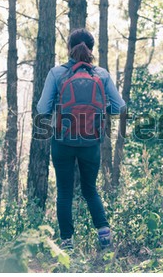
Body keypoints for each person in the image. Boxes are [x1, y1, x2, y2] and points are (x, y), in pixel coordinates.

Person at [37, 28, 126, 250]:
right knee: (90, 189)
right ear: (92, 49)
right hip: (91, 142)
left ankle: (67, 242)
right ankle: (104, 234)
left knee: (64, 191)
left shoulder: (57, 73)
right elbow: (119, 107)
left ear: (69, 49)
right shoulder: (102, 75)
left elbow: (42, 108)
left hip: (62, 141)